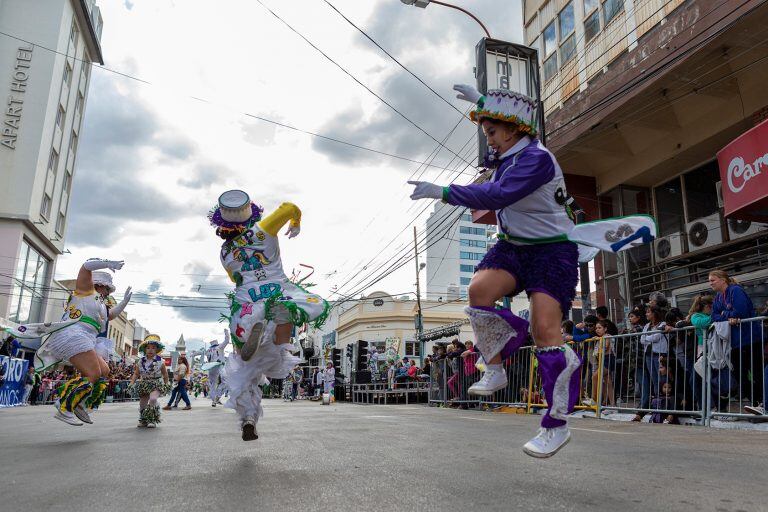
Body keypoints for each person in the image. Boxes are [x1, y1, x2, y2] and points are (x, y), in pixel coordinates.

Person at [408, 84, 658, 458]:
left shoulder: (537, 160)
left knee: (545, 331)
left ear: (514, 129)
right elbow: (497, 174)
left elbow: (496, 196)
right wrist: (483, 102)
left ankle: (556, 424)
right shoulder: (507, 155)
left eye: (492, 132)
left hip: (552, 251)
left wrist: (442, 192)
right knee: (479, 292)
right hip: (513, 246)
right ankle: (495, 367)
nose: (488, 140)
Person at [210, 190, 329, 441]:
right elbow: (288, 207)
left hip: (247, 299)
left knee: (246, 364)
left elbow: (234, 277)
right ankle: (279, 319)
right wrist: (295, 223)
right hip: (277, 288)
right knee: (283, 341)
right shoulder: (263, 230)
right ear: (250, 215)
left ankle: (248, 419)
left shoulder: (225, 251)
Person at [29, 258, 127, 426]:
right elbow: (86, 266)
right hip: (73, 334)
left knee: (104, 371)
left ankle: (79, 402)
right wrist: (107, 263)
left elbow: (110, 316)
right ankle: (66, 407)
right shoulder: (85, 291)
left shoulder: (101, 305)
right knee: (93, 373)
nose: (108, 291)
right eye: (106, 287)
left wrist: (124, 302)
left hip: (86, 338)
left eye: (109, 289)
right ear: (98, 284)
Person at [709, 270, 763, 408]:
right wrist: (728, 316)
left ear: (723, 280)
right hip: (734, 343)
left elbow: (741, 312)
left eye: (713, 280)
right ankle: (757, 403)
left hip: (750, 339)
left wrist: (724, 313)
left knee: (757, 373)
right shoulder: (717, 298)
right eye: (709, 280)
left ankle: (763, 403)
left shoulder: (735, 290)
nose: (710, 283)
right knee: (741, 377)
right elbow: (713, 316)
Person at [632, 306, 669, 422]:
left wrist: (648, 337)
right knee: (654, 380)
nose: (646, 314)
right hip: (648, 355)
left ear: (655, 313)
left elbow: (657, 337)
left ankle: (663, 406)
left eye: (648, 312)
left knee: (661, 380)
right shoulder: (647, 326)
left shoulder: (662, 324)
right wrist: (650, 337)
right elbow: (642, 339)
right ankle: (656, 404)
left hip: (659, 354)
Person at [130, 335, 170, 428]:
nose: (150, 350)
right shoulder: (140, 361)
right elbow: (136, 374)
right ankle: (143, 420)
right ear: (144, 350)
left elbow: (165, 375)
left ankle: (152, 419)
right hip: (144, 383)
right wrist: (132, 383)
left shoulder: (161, 361)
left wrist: (166, 384)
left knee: (153, 399)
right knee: (142, 403)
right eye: (148, 348)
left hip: (156, 383)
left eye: (153, 348)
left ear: (157, 349)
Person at [205, 329, 230, 407]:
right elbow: (226, 340)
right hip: (219, 366)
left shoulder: (208, 350)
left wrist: (193, 355)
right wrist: (226, 332)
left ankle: (214, 400)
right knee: (225, 382)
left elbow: (200, 353)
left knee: (212, 385)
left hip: (211, 368)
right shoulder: (219, 347)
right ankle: (217, 397)